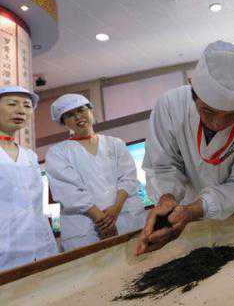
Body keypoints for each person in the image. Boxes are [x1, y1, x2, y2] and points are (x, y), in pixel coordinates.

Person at [136, 41, 234, 255]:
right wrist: (167, 199)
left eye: (232, 114)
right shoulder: (170, 106)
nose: (218, 124)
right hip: (189, 218)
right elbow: (162, 167)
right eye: (208, 111)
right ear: (192, 90)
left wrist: (193, 210)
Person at [45, 94, 146, 251]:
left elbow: (129, 178)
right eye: (70, 115)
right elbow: (69, 192)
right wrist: (101, 219)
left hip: (125, 217)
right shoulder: (57, 153)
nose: (78, 116)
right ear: (64, 122)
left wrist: (115, 209)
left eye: (81, 110)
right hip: (86, 229)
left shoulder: (115, 144)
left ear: (91, 111)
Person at [0, 86, 58, 271]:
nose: (21, 110)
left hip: (41, 246)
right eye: (12, 104)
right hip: (5, 251)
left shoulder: (30, 156)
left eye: (27, 106)